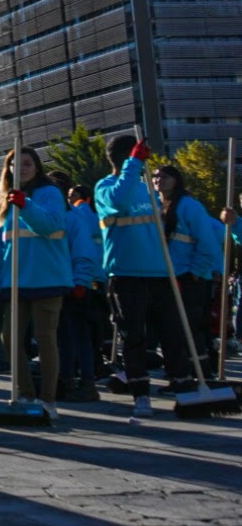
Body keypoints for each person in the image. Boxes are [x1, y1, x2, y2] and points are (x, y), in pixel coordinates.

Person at [0, 144, 72, 419]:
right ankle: (25, 393)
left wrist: (25, 205)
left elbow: (49, 225)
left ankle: (48, 400)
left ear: (37, 167)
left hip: (46, 277)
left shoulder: (49, 193)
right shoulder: (5, 200)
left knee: (45, 337)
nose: (22, 168)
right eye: (16, 163)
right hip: (14, 280)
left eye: (27, 163)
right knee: (9, 337)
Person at [98, 136, 170, 418]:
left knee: (170, 332)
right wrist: (134, 163)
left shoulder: (145, 190)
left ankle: (183, 384)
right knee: (134, 336)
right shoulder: (105, 187)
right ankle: (140, 392)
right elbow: (119, 199)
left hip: (157, 270)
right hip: (125, 271)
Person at [155, 163, 222, 387]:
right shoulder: (156, 207)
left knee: (189, 330)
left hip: (187, 278)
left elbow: (208, 245)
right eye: (155, 176)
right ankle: (179, 376)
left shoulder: (189, 207)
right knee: (169, 331)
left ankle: (202, 375)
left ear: (177, 180)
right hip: (166, 278)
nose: (158, 179)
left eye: (165, 176)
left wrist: (194, 273)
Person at [56, 177, 105, 401]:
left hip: (76, 284)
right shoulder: (66, 216)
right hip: (67, 282)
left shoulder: (75, 217)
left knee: (77, 335)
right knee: (67, 336)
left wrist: (82, 280)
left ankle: (82, 381)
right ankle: (72, 379)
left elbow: (85, 252)